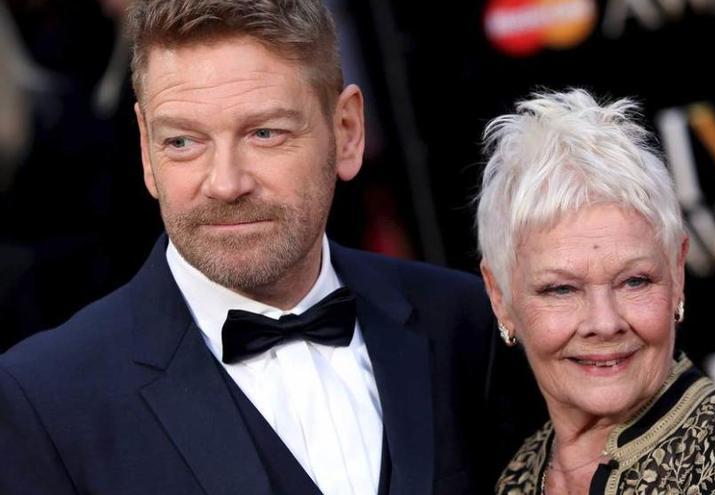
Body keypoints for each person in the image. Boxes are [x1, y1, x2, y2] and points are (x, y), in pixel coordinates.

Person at [0, 1, 521, 493]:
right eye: (183, 142)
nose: (225, 184)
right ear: (145, 149)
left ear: (347, 131)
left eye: (264, 133)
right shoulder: (45, 401)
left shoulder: (468, 325)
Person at [476, 89, 715, 495]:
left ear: (677, 273)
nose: (604, 323)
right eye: (561, 290)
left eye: (634, 281)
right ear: (499, 296)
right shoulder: (516, 478)